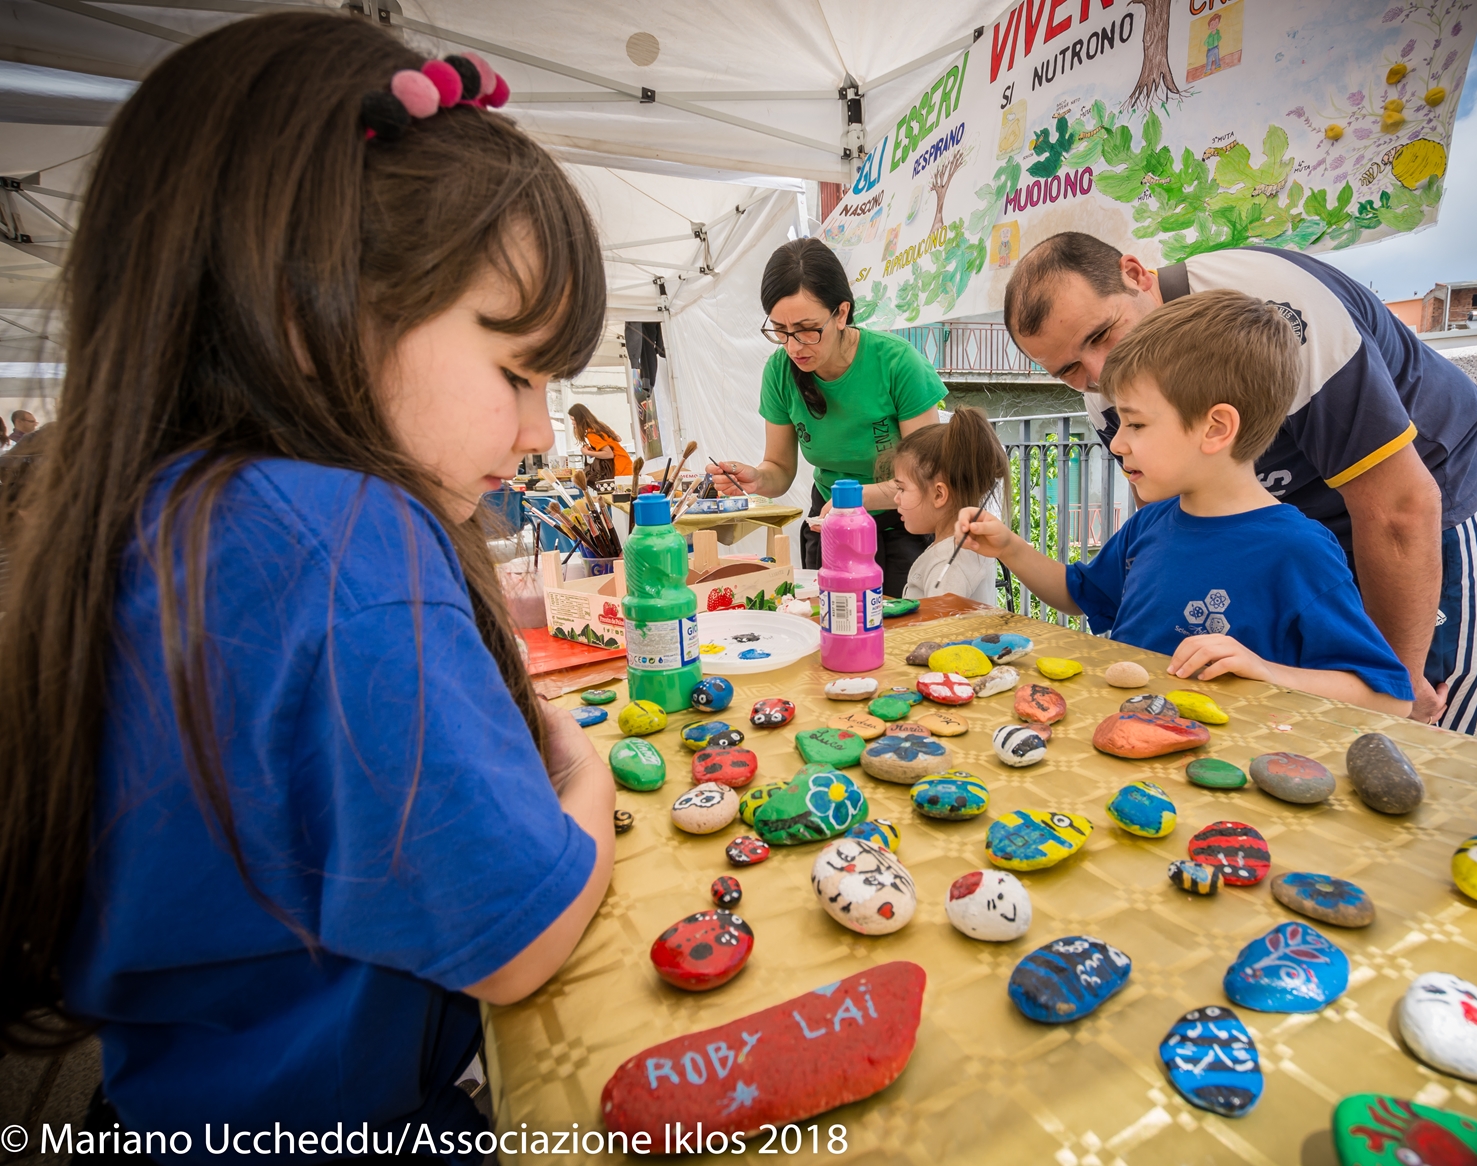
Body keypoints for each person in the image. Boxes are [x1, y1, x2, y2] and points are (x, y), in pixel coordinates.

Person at [0, 13, 618, 1148]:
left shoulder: (161, 516)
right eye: (515, 367)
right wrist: (586, 780)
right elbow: (518, 938)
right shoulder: (346, 539)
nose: (538, 429)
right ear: (308, 305)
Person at [1003, 231, 1477, 732]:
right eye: (1069, 371)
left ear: (1136, 274)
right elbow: (1158, 521)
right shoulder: (1111, 384)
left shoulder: (1280, 305)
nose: (1099, 374)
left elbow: (1398, 509)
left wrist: (1400, 702)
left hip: (1409, 486)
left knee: (1420, 726)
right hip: (1281, 518)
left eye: (1102, 334)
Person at [961, 289, 1412, 716]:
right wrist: (1008, 547)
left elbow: (1388, 699)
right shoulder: (1150, 523)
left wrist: (1266, 672)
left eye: (1135, 424)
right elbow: (1080, 595)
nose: (1117, 444)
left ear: (1216, 428)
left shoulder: (1299, 551)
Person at [710, 237, 945, 595]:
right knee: (834, 630)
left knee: (900, 638)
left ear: (841, 313)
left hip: (904, 522)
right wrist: (757, 479)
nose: (793, 347)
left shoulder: (897, 364)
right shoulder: (779, 372)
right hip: (830, 523)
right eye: (780, 331)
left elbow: (927, 477)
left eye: (807, 330)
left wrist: (858, 499)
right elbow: (780, 469)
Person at [882, 407, 1010, 606]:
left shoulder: (949, 562)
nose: (896, 499)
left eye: (902, 489)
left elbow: (941, 628)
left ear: (939, 494)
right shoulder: (961, 548)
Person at [568, 402, 631, 484]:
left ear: (580, 419)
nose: (572, 423)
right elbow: (618, 439)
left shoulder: (591, 434)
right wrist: (595, 451)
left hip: (619, 469)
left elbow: (609, 454)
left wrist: (587, 452)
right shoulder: (600, 426)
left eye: (573, 419)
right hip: (626, 464)